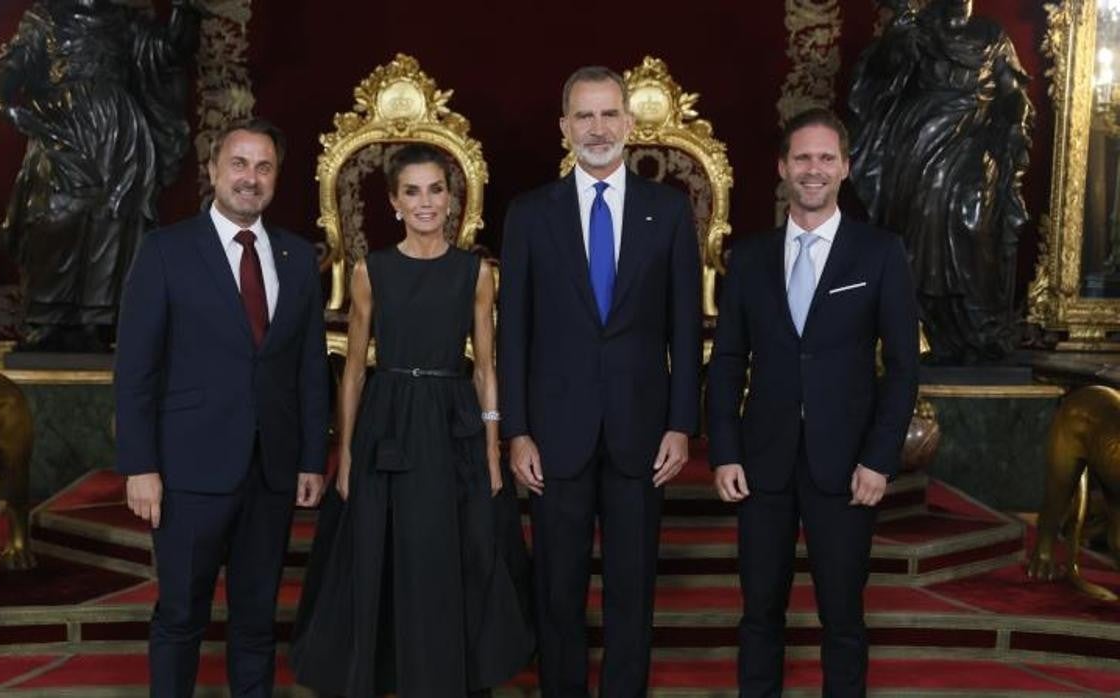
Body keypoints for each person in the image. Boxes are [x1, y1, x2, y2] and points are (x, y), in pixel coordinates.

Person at [291, 143, 534, 697]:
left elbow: (486, 370)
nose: (425, 202)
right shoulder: (370, 270)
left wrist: (493, 447)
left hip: (455, 424)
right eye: (412, 192)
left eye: (436, 190)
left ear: (452, 199)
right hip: (387, 424)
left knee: (454, 553)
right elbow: (352, 372)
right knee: (382, 550)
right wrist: (346, 454)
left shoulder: (476, 272)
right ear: (395, 203)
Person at [499, 66, 702, 697]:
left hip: (642, 435)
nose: (597, 128)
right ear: (564, 128)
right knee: (557, 592)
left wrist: (680, 423)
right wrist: (518, 432)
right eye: (584, 116)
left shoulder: (668, 212)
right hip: (554, 438)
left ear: (629, 123)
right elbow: (514, 336)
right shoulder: (530, 214)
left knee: (630, 592)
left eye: (608, 114)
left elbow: (686, 330)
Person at [706, 108, 919, 696]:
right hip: (762, 465)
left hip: (848, 467)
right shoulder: (748, 259)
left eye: (827, 158)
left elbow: (903, 369)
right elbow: (725, 362)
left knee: (843, 620)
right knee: (759, 617)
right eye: (802, 157)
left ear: (845, 167)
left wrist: (879, 460)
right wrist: (724, 451)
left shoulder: (880, 253)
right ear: (782, 167)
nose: (814, 169)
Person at [114, 118, 328, 697]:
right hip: (187, 473)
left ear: (277, 178)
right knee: (182, 616)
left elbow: (309, 368)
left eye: (263, 167)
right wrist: (139, 466)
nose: (250, 178)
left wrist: (312, 458)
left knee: (257, 621)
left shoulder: (297, 257)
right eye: (239, 164)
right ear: (212, 170)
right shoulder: (165, 250)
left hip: (272, 471)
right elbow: (135, 369)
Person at [0, 0, 203, 351]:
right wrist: (4, 104)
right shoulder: (46, 16)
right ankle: (47, 317)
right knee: (53, 213)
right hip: (62, 127)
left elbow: (169, 52)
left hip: (118, 133)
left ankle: (97, 319)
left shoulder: (125, 19)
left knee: (112, 219)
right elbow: (15, 66)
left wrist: (187, 9)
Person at [848, 0, 1033, 363]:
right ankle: (918, 323)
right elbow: (882, 73)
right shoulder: (919, 30)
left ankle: (975, 325)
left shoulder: (991, 35)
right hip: (919, 139)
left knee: (975, 217)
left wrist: (1018, 113)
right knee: (922, 213)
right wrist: (897, 35)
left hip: (976, 139)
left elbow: (1012, 90)